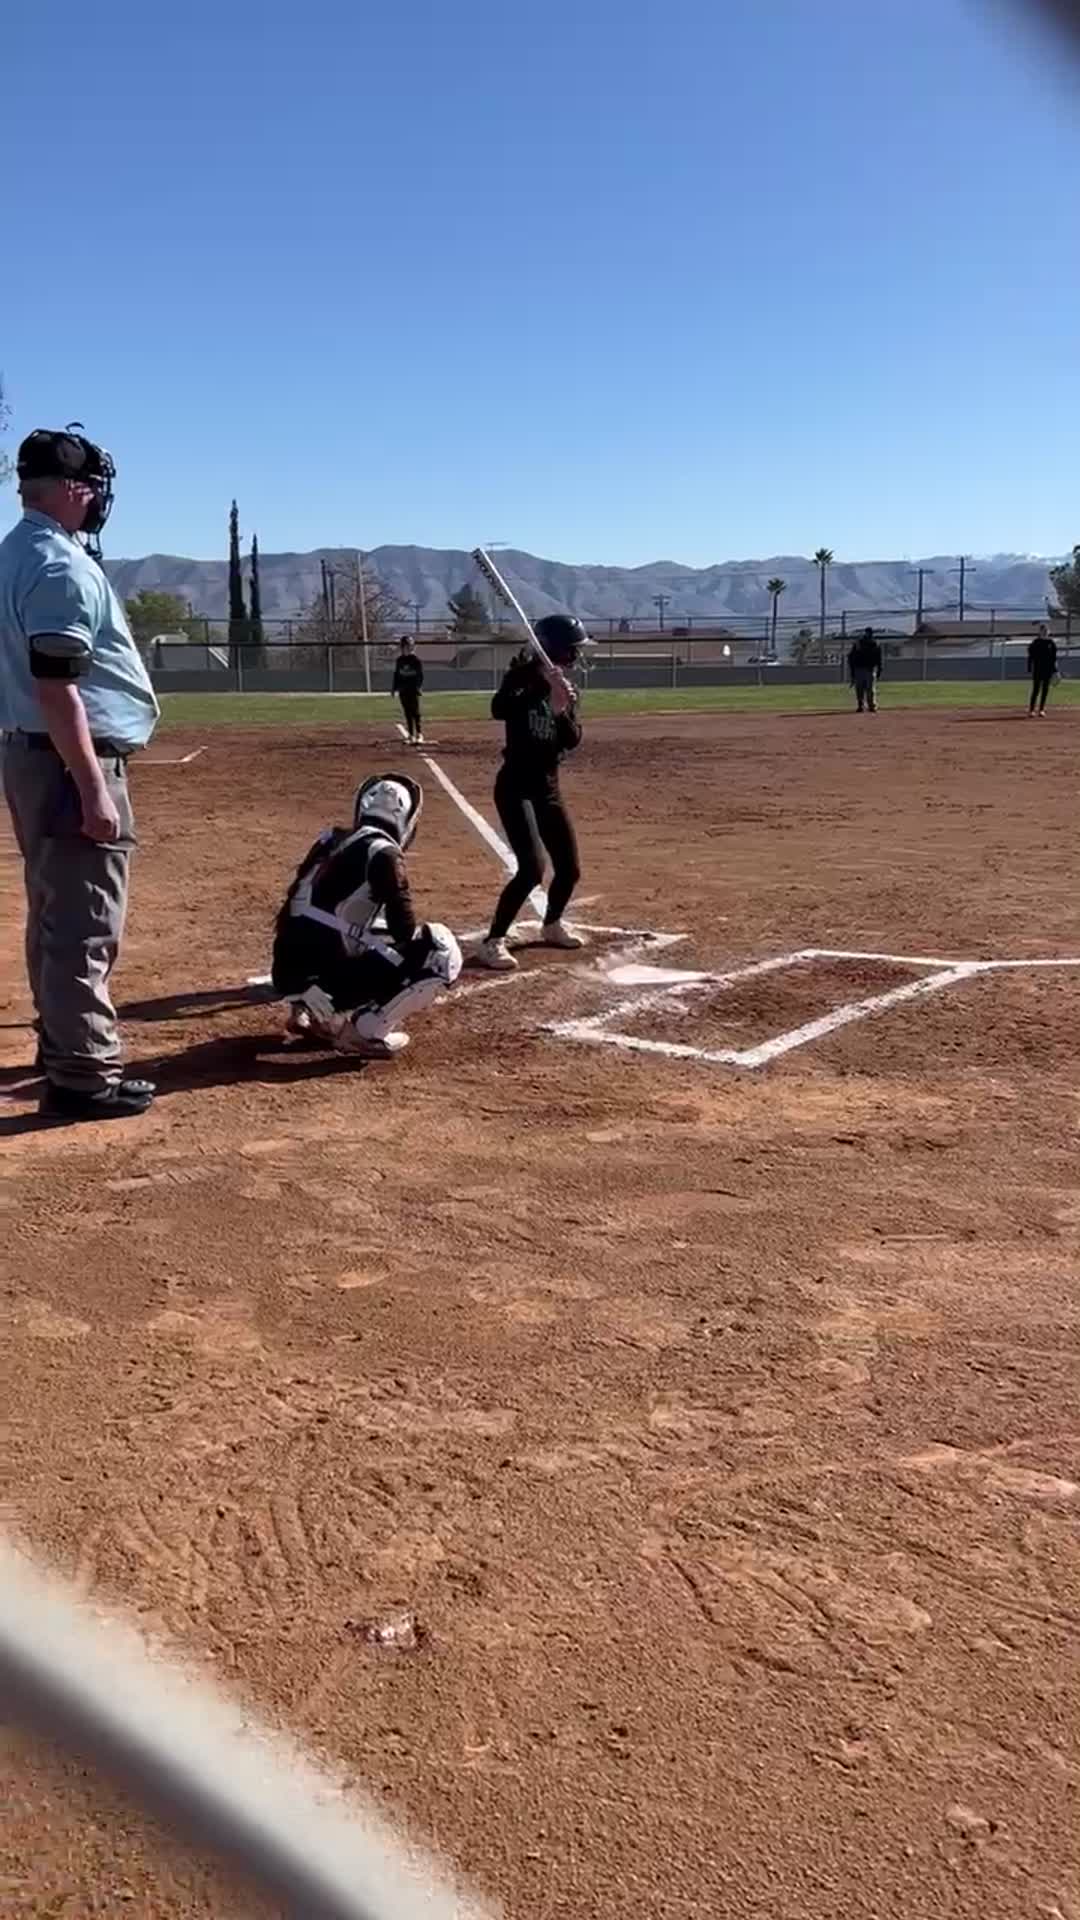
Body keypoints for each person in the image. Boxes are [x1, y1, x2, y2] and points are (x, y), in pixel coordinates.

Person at [0, 427, 160, 1121]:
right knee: (85, 923)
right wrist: (93, 786)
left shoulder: (17, 551)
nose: (97, 498)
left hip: (36, 754)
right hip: (68, 758)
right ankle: (83, 1074)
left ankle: (61, 1042)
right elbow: (58, 685)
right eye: (90, 487)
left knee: (56, 911)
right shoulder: (57, 566)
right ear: (70, 491)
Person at [271, 773, 461, 1059]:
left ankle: (310, 1013)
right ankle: (364, 1033)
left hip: (287, 972)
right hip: (322, 980)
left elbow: (296, 905)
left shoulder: (330, 839)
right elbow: (403, 930)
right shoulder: (384, 853)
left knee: (347, 924)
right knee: (440, 949)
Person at [473, 615, 589, 972]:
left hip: (547, 786)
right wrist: (540, 686)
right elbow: (499, 708)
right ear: (556, 648)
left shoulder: (566, 689)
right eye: (573, 649)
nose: (576, 657)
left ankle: (551, 924)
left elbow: (571, 740)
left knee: (569, 869)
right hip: (515, 786)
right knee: (532, 869)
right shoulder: (521, 677)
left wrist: (559, 708)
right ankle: (493, 942)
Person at [392, 634, 425, 743]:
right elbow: (396, 674)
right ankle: (411, 735)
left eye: (408, 646)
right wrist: (394, 688)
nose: (406, 648)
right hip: (403, 689)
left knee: (415, 712)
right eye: (404, 646)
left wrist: (419, 687)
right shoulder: (400, 660)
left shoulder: (416, 660)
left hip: (413, 689)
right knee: (407, 712)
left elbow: (420, 676)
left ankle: (419, 734)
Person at [848, 627, 883, 713]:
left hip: (869, 669)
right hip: (859, 669)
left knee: (870, 689)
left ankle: (871, 706)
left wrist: (879, 669)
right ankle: (861, 705)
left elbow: (878, 658)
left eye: (869, 633)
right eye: (867, 633)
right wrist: (852, 671)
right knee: (860, 689)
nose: (868, 634)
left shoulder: (875, 644)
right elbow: (851, 657)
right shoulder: (858, 643)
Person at [1027, 622, 1058, 717]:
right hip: (1037, 669)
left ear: (1048, 632)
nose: (1044, 632)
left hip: (1048, 670)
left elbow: (1054, 658)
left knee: (1045, 689)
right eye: (1043, 630)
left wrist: (1055, 671)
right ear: (1039, 632)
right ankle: (1031, 710)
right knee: (1036, 689)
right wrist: (1029, 668)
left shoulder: (1051, 643)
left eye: (1046, 631)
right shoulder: (1035, 643)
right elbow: (1030, 657)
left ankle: (1041, 710)